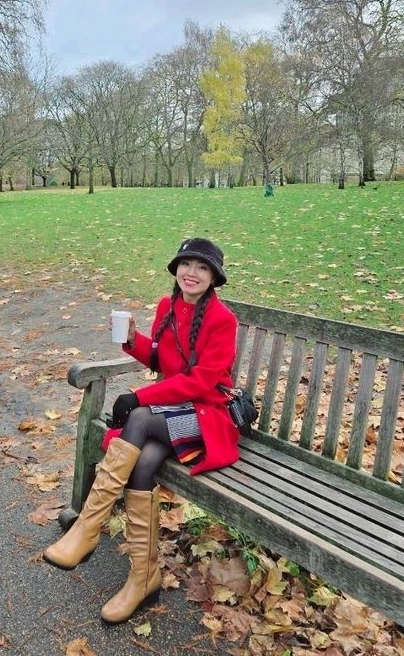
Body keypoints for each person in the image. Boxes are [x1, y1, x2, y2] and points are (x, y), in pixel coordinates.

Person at [44, 238, 240, 623]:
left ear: (214, 277)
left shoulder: (223, 320)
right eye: (186, 264)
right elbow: (162, 358)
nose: (192, 273)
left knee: (137, 417)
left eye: (202, 268)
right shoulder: (168, 306)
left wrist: (139, 396)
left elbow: (201, 382)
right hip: (172, 411)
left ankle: (88, 527)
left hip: (207, 417)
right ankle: (143, 577)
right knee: (143, 462)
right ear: (175, 269)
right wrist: (134, 341)